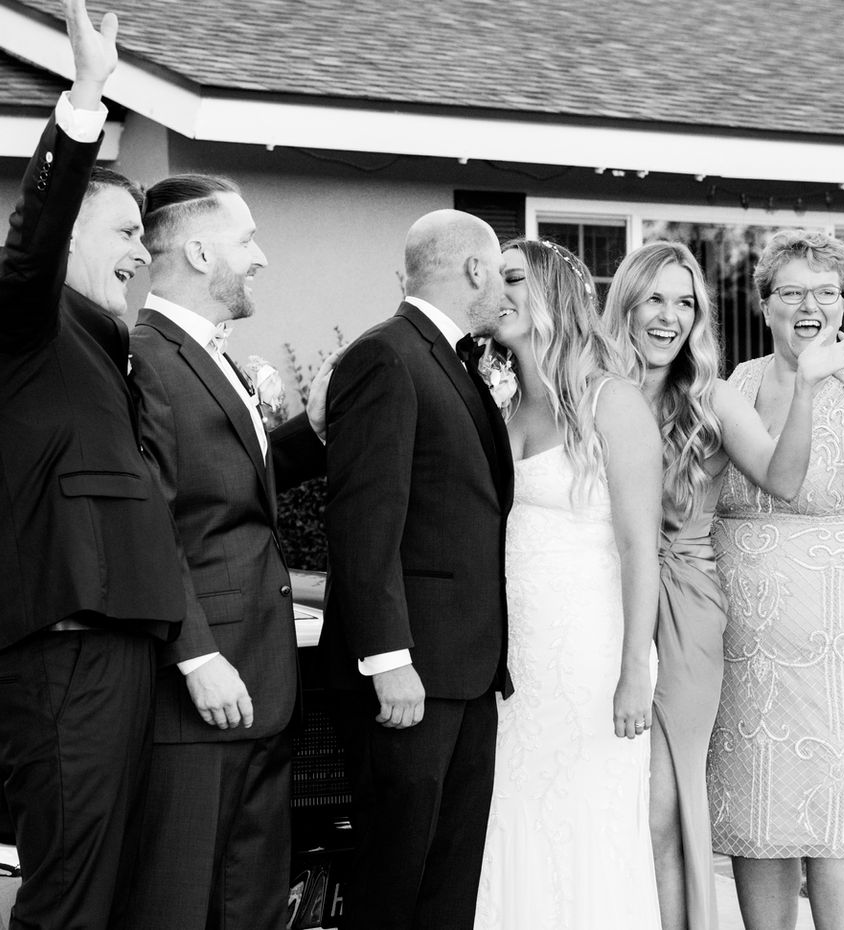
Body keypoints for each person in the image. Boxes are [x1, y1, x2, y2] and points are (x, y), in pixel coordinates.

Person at [603, 240, 844, 930]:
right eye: (654, 299)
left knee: (662, 805)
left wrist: (806, 387)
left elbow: (782, 479)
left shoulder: (712, 397)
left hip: (686, 614)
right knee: (601, 794)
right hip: (593, 604)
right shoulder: (588, 392)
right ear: (623, 302)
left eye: (685, 303)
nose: (669, 318)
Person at [0, 3, 189, 927]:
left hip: (122, 647)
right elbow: (28, 238)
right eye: (124, 235)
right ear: (72, 235)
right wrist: (84, 97)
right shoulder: (25, 325)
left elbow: (155, 494)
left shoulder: (106, 348)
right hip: (67, 651)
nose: (141, 257)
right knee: (68, 894)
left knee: (109, 894)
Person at [707, 229, 844, 930]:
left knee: (837, 792)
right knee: (756, 793)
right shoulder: (737, 381)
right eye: (794, 292)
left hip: (838, 622)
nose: (813, 306)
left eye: (828, 292)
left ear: (843, 302)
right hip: (742, 625)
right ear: (764, 302)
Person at [122, 174, 326, 930]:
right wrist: (196, 654)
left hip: (261, 678)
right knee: (180, 903)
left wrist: (316, 431)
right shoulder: (146, 360)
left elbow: (235, 484)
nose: (261, 257)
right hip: (200, 688)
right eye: (247, 239)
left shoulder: (210, 355)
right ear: (201, 250)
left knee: (248, 903)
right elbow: (150, 522)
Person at [323, 209, 512, 930]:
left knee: (448, 879)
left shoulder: (447, 357)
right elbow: (364, 521)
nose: (502, 288)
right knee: (393, 878)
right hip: (410, 678)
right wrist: (388, 658)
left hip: (465, 672)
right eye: (498, 271)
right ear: (472, 270)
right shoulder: (386, 356)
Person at [474, 238, 664, 929]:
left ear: (553, 293)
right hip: (515, 659)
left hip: (591, 651)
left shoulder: (613, 402)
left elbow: (642, 545)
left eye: (515, 280)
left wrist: (635, 671)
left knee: (589, 820)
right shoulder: (501, 404)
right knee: (513, 811)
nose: (500, 293)